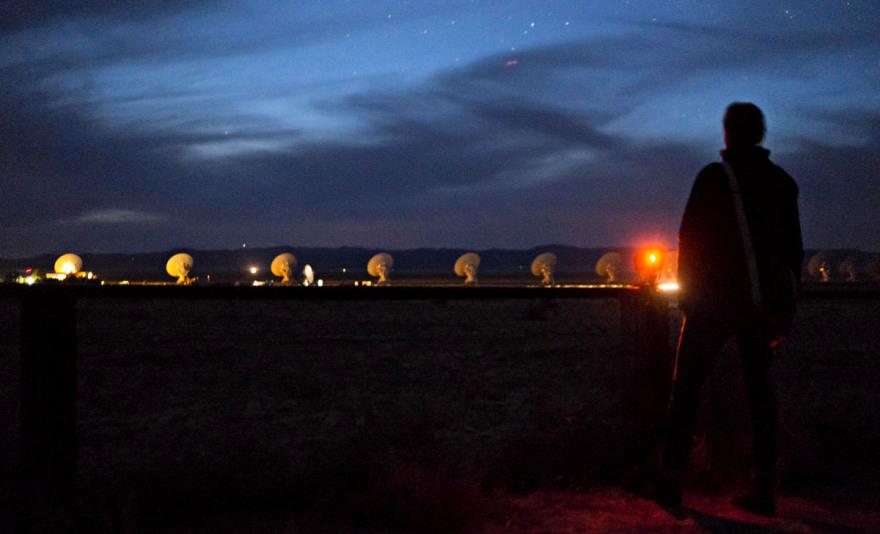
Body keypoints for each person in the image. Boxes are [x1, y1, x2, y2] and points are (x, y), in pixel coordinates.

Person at [656, 102, 804, 516]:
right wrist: (783, 311)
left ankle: (670, 477)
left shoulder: (713, 179)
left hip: (711, 302)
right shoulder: (783, 184)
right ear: (761, 133)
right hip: (760, 305)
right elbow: (792, 253)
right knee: (760, 393)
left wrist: (689, 297)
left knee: (687, 386)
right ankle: (764, 485)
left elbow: (691, 240)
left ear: (727, 134)